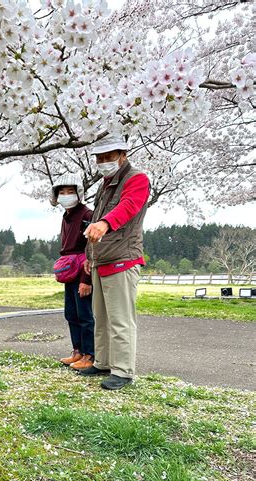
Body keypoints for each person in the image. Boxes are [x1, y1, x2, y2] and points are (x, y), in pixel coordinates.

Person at [82, 136, 150, 390]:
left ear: (122, 155)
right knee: (100, 316)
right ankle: (103, 362)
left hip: (123, 257)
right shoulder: (105, 184)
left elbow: (128, 206)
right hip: (101, 258)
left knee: (121, 319)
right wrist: (90, 257)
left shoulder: (137, 179)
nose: (103, 162)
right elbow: (96, 220)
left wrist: (105, 224)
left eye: (108, 157)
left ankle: (123, 371)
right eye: (99, 158)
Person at [51, 174, 95, 370]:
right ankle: (77, 351)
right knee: (71, 313)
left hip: (83, 270)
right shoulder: (66, 216)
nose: (66, 195)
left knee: (85, 314)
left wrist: (87, 279)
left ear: (79, 193)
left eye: (70, 191)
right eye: (62, 192)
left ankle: (89, 354)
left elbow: (91, 248)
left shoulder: (87, 214)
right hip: (69, 271)